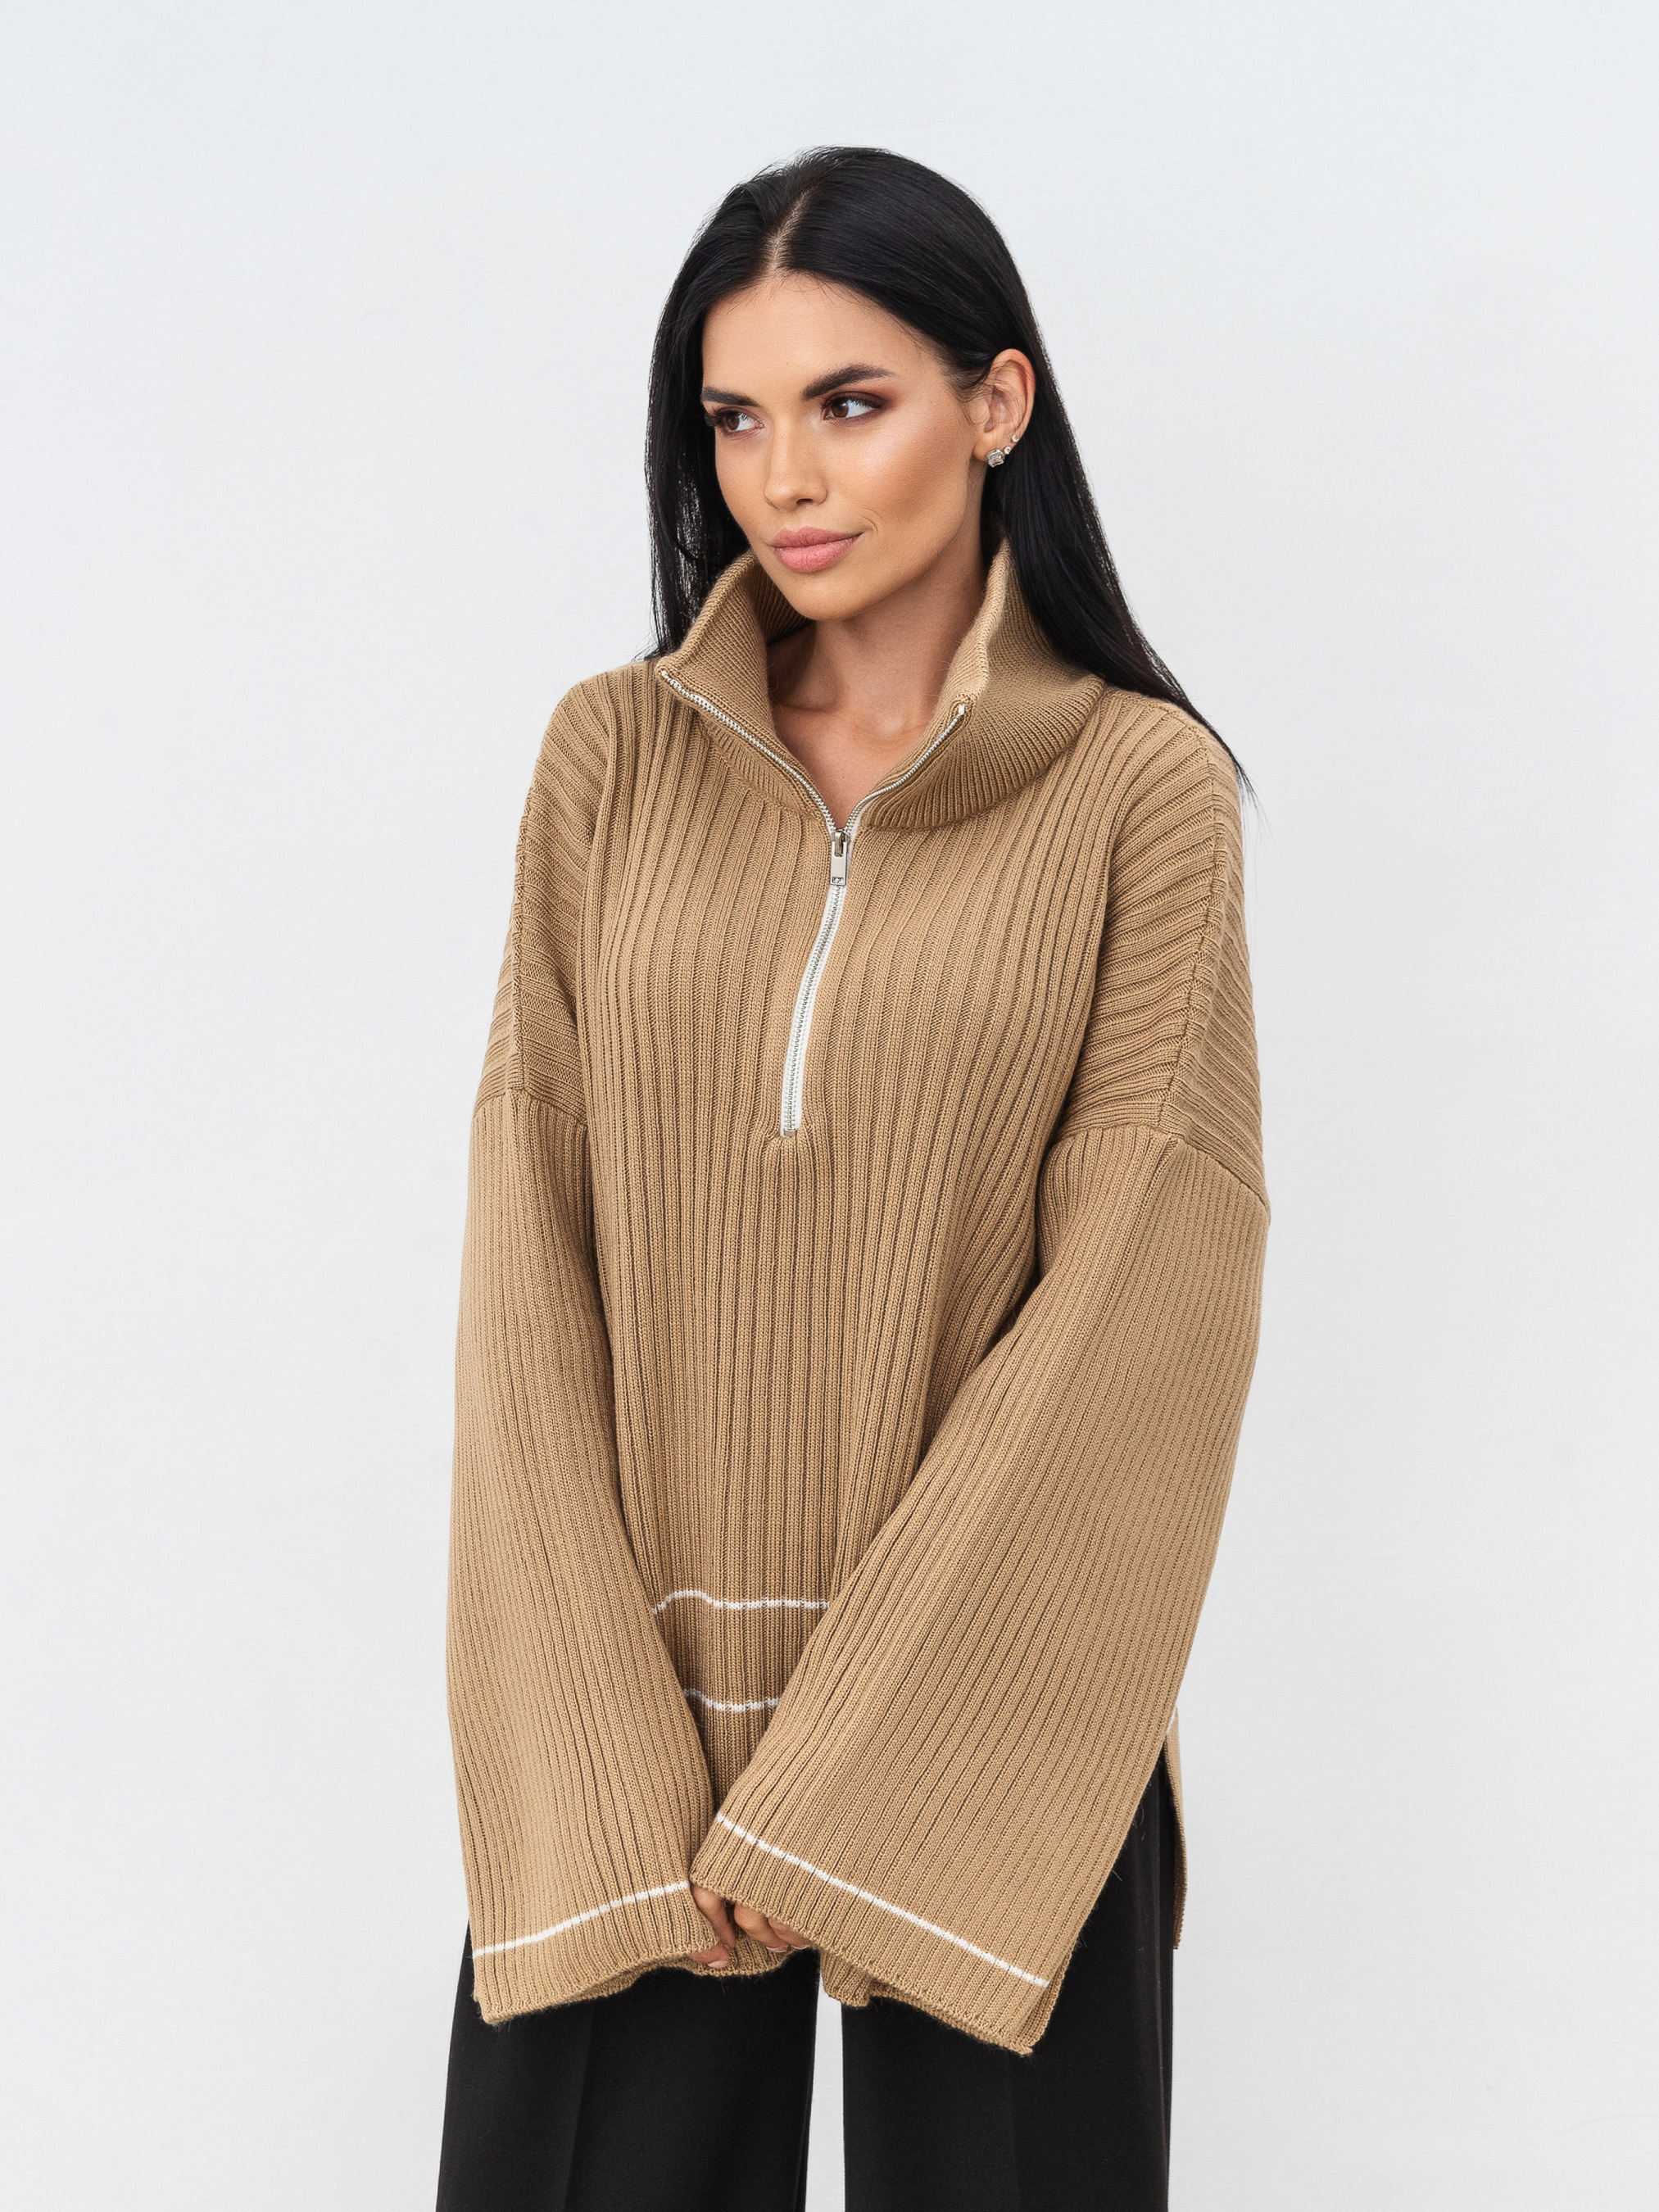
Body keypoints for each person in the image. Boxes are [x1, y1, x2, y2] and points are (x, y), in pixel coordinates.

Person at [435, 145, 1267, 2211]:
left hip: (1001, 1717)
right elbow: (526, 1260)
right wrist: (600, 1751)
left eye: (849, 402)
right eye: (733, 417)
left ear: (996, 403)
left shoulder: (1137, 791)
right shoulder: (610, 760)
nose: (784, 478)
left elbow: (1139, 1304)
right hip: (633, 1718)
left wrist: (859, 1771)